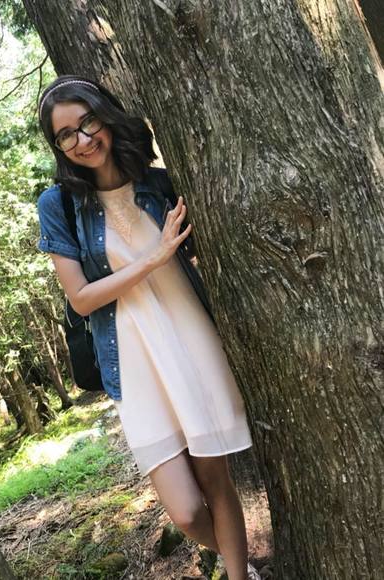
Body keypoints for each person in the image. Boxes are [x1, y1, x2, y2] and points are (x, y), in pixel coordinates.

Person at [35, 74, 261, 580]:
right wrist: (154, 258)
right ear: (57, 146)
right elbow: (81, 298)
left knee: (217, 482)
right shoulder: (60, 205)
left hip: (190, 338)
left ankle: (241, 574)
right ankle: (239, 560)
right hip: (131, 358)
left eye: (88, 122)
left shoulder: (158, 183)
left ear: (105, 117)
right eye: (65, 134)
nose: (82, 140)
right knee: (186, 511)